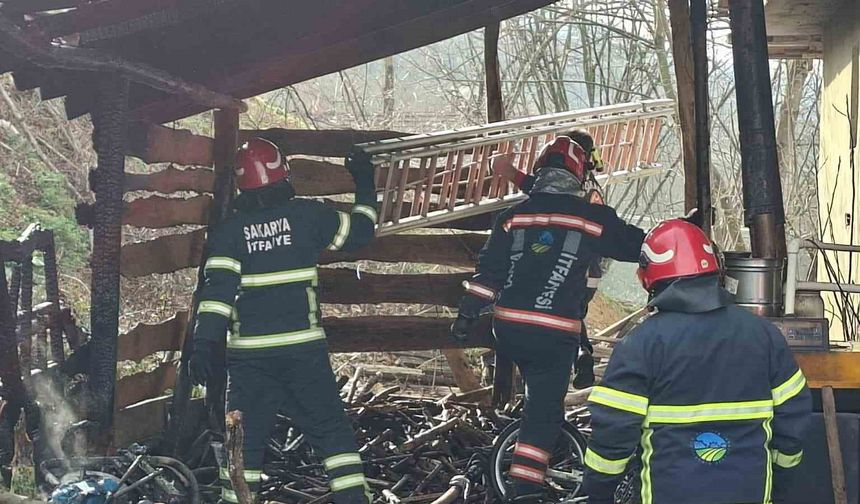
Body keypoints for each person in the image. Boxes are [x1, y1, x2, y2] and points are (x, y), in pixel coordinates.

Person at [451, 135, 647, 502]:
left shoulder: (514, 216)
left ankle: (527, 451)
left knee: (538, 400)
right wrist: (681, 235)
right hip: (553, 332)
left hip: (508, 328)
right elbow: (638, 246)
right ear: (580, 172)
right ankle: (525, 488)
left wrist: (466, 314)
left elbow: (489, 270)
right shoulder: (593, 218)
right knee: (543, 414)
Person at [189, 138, 378, 504]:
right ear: (283, 172)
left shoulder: (229, 233)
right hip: (304, 352)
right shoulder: (309, 217)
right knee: (332, 435)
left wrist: (203, 346)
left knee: (246, 444)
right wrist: (365, 181)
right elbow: (361, 232)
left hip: (250, 362)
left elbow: (216, 298)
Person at [583, 219, 812, 504]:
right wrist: (780, 482)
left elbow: (611, 435)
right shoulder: (764, 336)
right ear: (714, 267)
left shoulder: (641, 344)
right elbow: (794, 421)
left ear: (648, 277)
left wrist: (598, 493)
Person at [492, 129, 606, 389]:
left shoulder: (573, 192)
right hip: (589, 270)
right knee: (570, 311)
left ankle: (575, 358)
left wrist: (506, 170)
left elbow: (539, 189)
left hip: (576, 267)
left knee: (561, 310)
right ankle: (581, 354)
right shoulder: (587, 187)